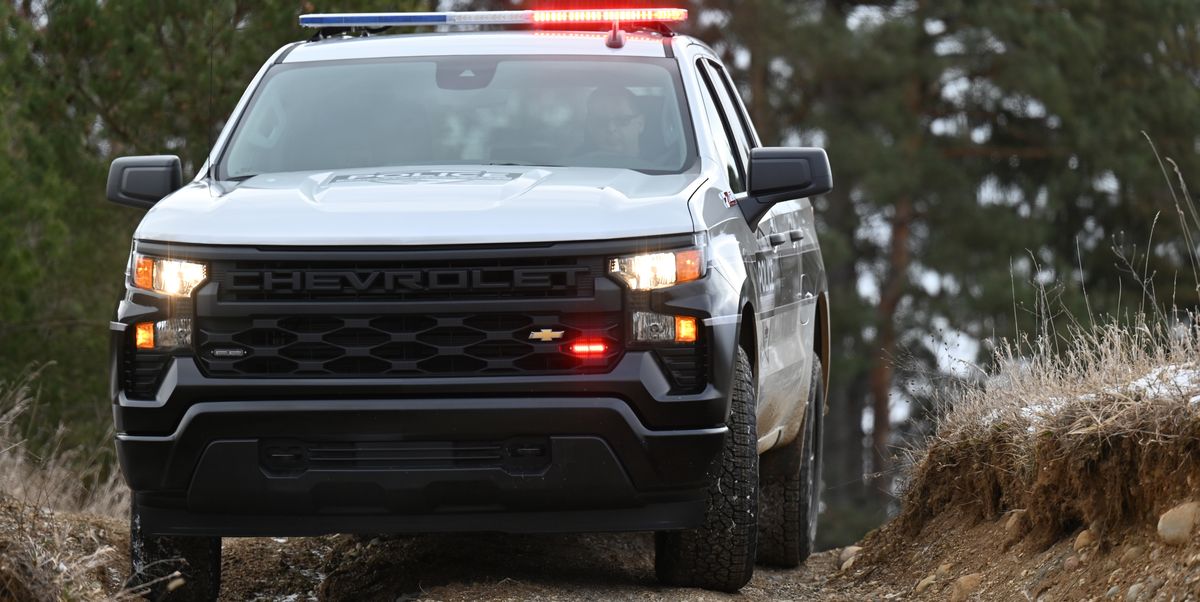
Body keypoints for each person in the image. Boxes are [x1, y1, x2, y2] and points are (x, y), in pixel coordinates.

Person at [579, 86, 646, 162]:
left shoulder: (659, 166)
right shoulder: (571, 167)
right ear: (590, 125)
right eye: (601, 121)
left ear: (640, 123)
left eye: (622, 120)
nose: (611, 128)